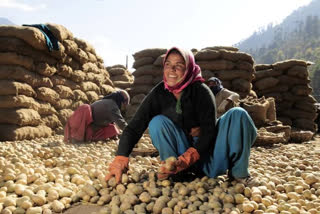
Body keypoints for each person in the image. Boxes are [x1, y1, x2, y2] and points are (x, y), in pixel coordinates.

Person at [105, 47, 257, 184]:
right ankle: (174, 172)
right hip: (179, 158)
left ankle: (239, 174)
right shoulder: (159, 93)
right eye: (168, 64)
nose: (172, 70)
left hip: (210, 156)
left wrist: (189, 157)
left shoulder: (202, 92)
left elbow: (209, 131)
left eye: (179, 65)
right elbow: (134, 127)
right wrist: (121, 157)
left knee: (238, 114)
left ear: (189, 68)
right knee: (157, 122)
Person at [64, 89, 130, 143]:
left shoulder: (109, 102)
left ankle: (89, 138)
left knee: (113, 129)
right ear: (121, 101)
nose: (124, 107)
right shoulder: (112, 106)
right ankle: (79, 138)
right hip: (86, 128)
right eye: (125, 104)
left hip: (94, 126)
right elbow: (121, 122)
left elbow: (114, 123)